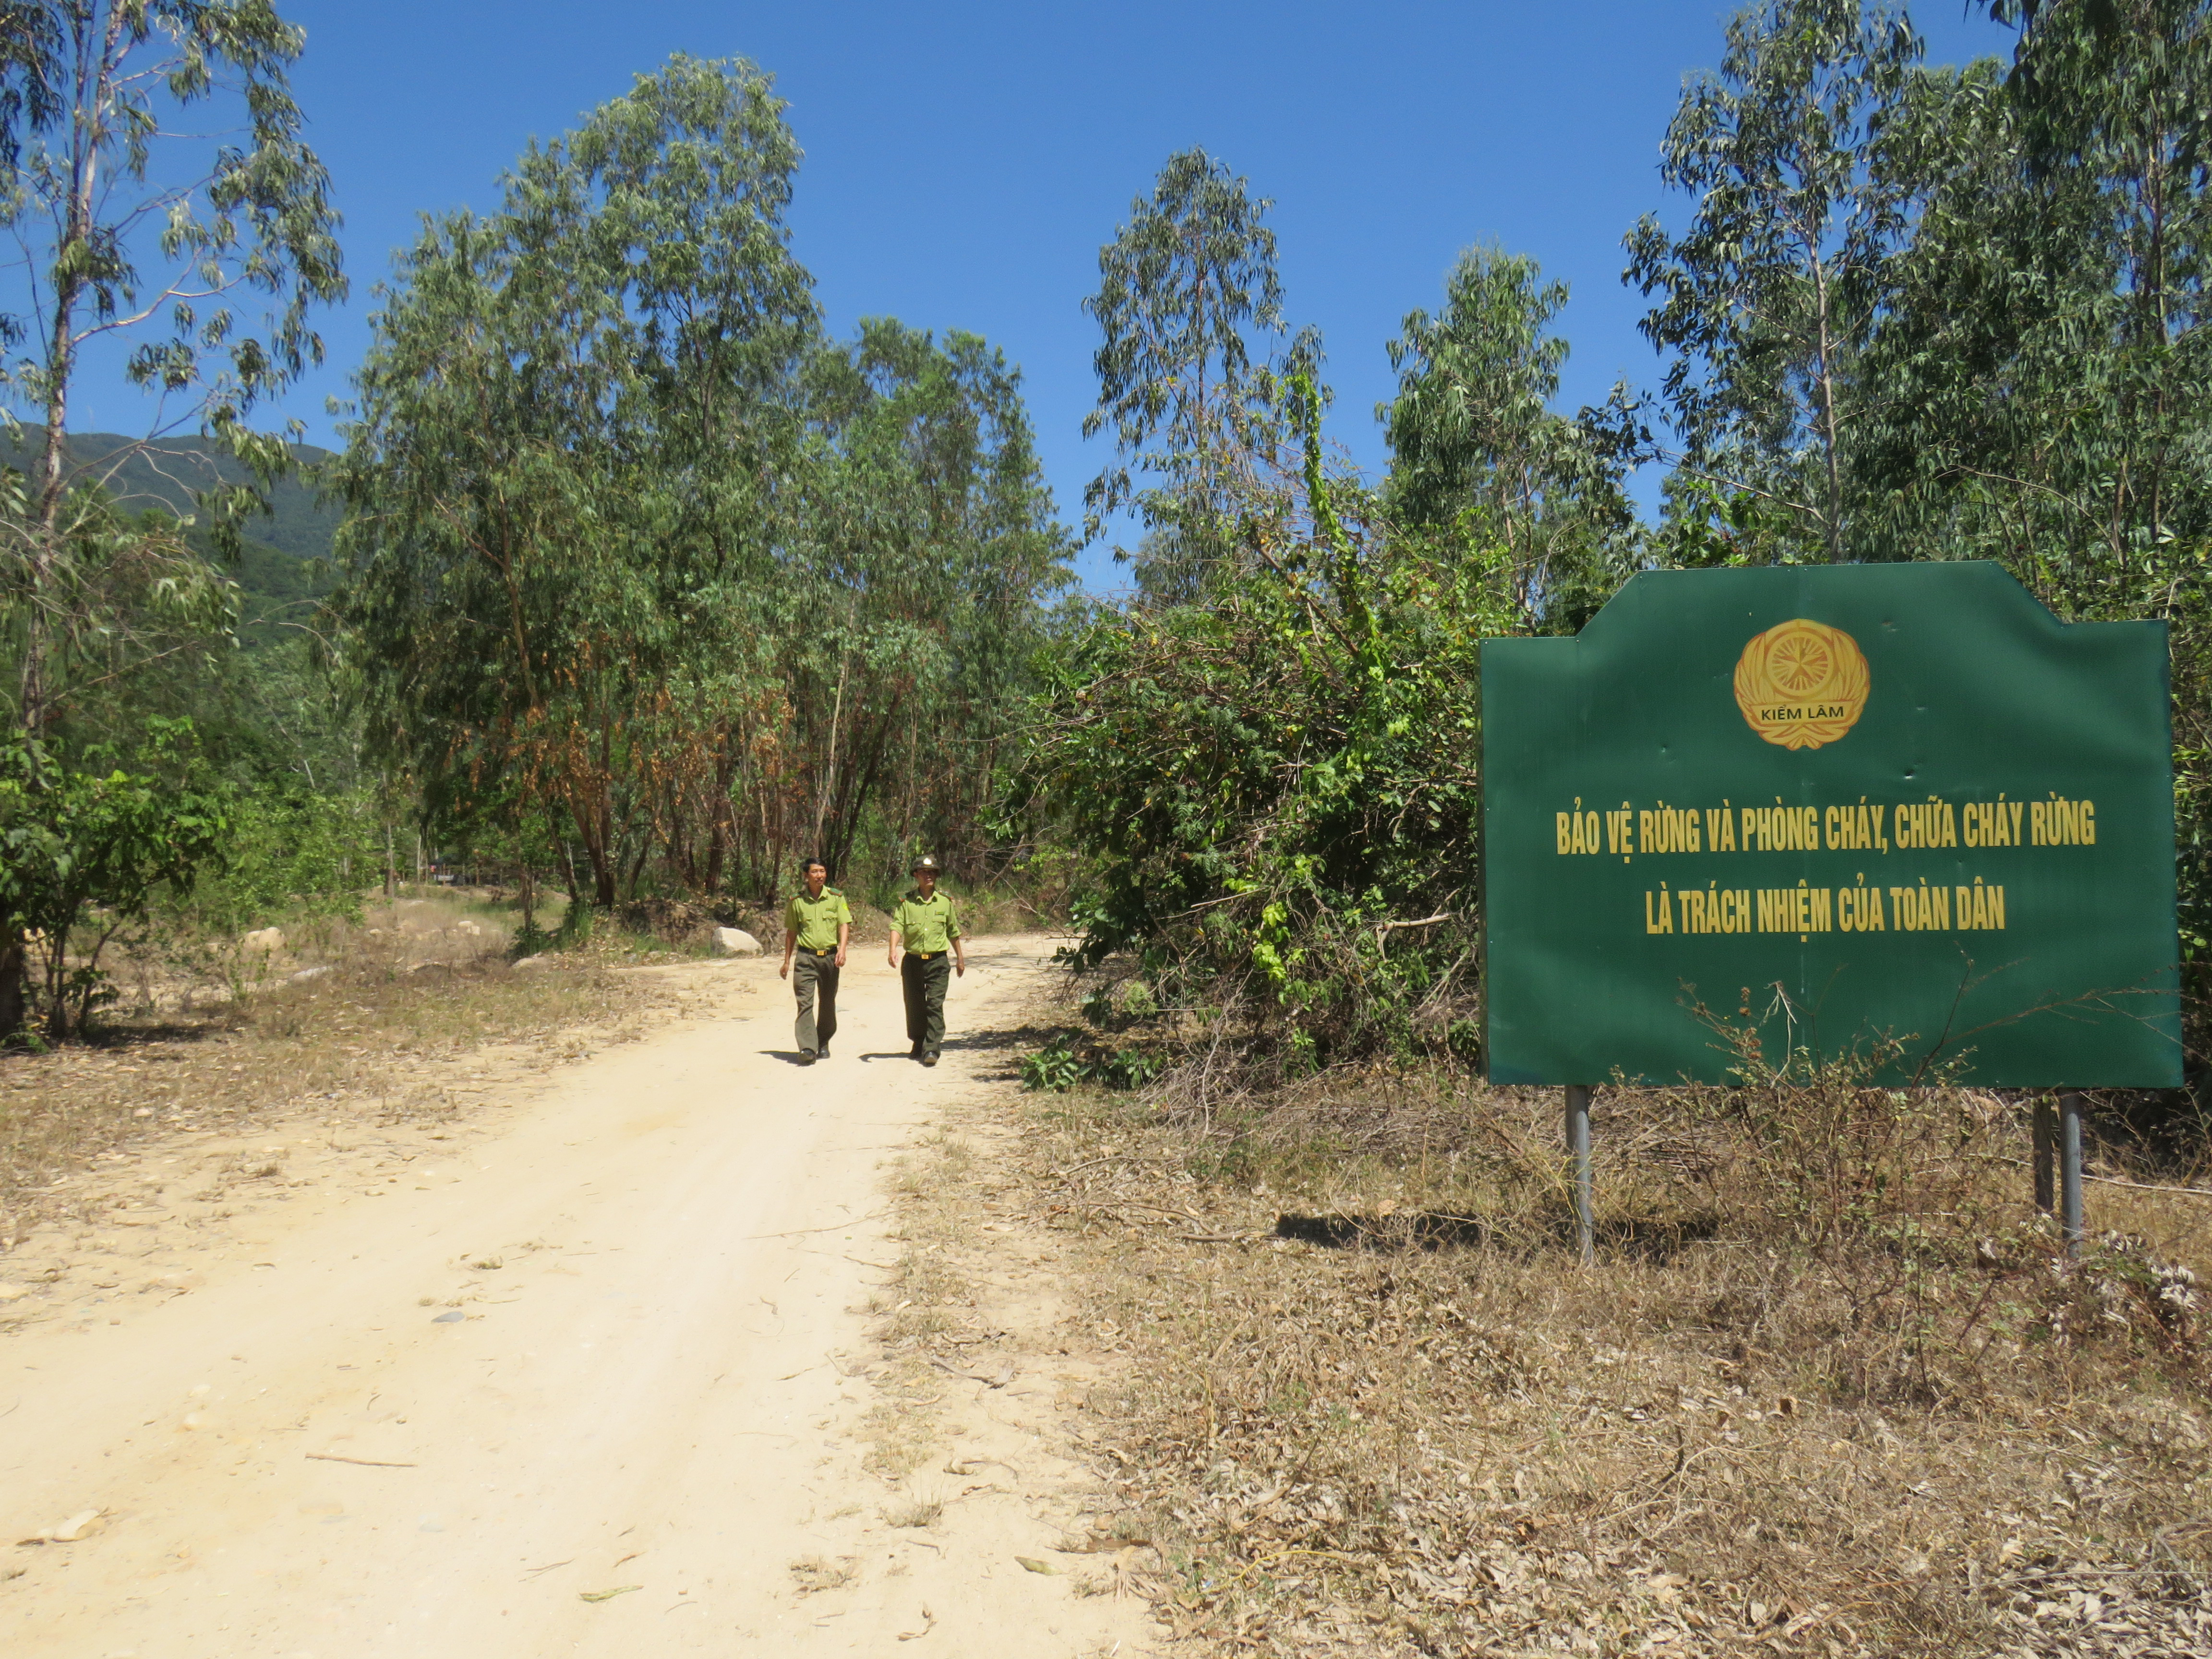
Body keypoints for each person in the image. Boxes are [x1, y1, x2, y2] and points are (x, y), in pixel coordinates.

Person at [888, 854, 965, 1066]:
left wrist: (960, 958)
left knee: (934, 1004)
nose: (928, 876)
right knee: (914, 1005)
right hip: (913, 961)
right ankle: (919, 1042)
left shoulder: (945, 902)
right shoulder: (907, 902)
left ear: (936, 876)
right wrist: (892, 948)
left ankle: (932, 1048)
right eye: (924, 872)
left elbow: (953, 931)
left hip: (938, 962)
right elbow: (897, 926)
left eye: (932, 872)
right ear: (916, 875)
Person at [779, 857, 850, 1062]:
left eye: (822, 871)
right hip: (805, 959)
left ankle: (823, 1042)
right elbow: (791, 932)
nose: (820, 876)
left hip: (830, 958)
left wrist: (842, 950)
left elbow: (844, 924)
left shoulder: (836, 897)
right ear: (806, 876)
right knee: (805, 1003)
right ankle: (808, 1048)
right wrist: (786, 961)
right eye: (815, 872)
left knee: (827, 1003)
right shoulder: (797, 901)